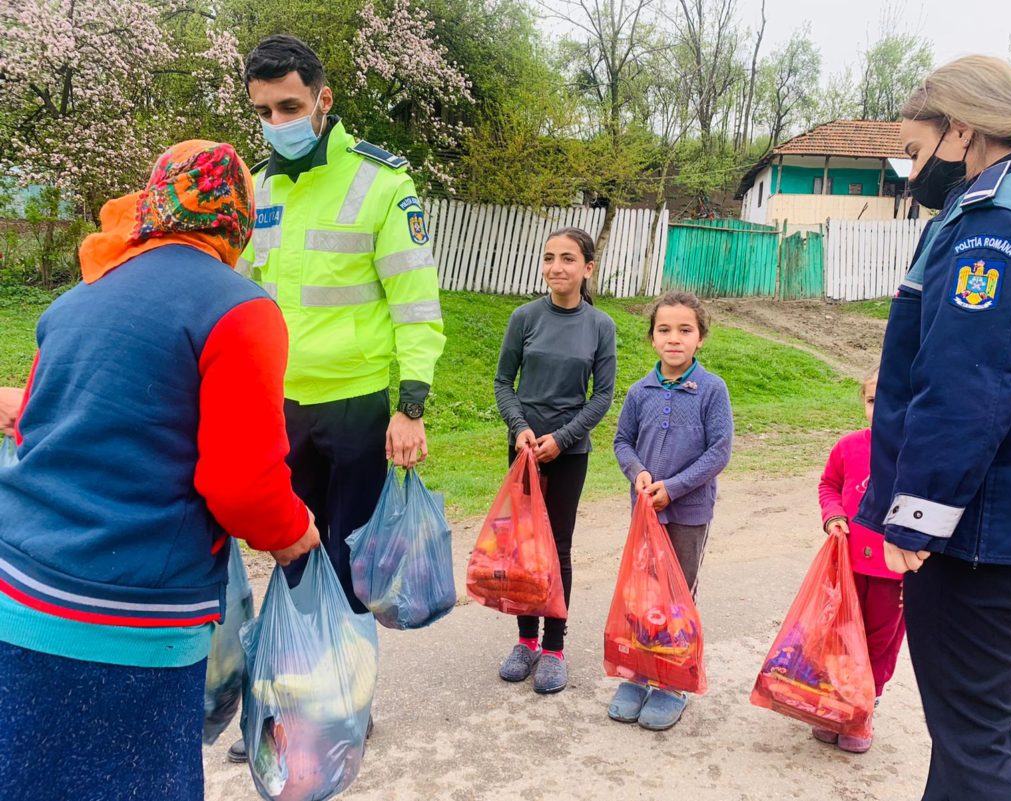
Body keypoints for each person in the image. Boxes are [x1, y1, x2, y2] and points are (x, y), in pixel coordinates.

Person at [0, 140, 320, 801]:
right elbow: (243, 486)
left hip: (15, 594)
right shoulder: (240, 308)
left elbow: (39, 419)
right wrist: (296, 536)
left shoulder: (84, 292)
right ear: (238, 218)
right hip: (127, 620)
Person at [854, 55, 1011, 801]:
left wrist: (914, 518)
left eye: (915, 153)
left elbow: (970, 387)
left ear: (964, 129)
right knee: (969, 728)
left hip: (985, 528)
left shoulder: (995, 218)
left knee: (974, 739)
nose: (911, 176)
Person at [228, 35, 446, 761]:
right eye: (263, 110)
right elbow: (246, 299)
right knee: (290, 550)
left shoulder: (382, 182)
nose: (276, 120)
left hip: (356, 408)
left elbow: (416, 301)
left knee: (349, 564)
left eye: (289, 105)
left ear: (323, 100)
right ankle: (292, 695)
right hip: (279, 406)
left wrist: (410, 404)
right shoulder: (260, 190)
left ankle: (347, 705)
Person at [493, 227, 617, 694]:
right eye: (549, 258)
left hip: (569, 453)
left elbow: (602, 396)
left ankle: (554, 648)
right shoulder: (524, 318)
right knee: (523, 546)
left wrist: (562, 439)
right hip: (523, 450)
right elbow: (504, 382)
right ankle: (525, 641)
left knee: (557, 547)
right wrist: (520, 429)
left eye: (567, 259)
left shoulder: (600, 326)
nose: (556, 268)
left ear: (587, 268)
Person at [609, 290, 732, 730]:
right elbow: (621, 441)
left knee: (678, 597)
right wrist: (637, 473)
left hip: (688, 514)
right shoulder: (639, 390)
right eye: (665, 330)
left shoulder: (712, 391)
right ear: (652, 338)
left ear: (701, 339)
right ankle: (639, 673)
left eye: (685, 330)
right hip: (644, 514)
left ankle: (673, 681)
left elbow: (719, 452)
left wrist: (675, 488)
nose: (674, 338)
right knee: (643, 595)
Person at [812, 368, 904, 754]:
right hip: (846, 568)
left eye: (893, 398)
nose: (880, 408)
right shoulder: (848, 447)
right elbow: (828, 485)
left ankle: (863, 708)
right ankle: (835, 704)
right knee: (839, 637)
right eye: (871, 400)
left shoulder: (919, 456)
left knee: (878, 644)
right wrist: (833, 515)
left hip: (893, 573)